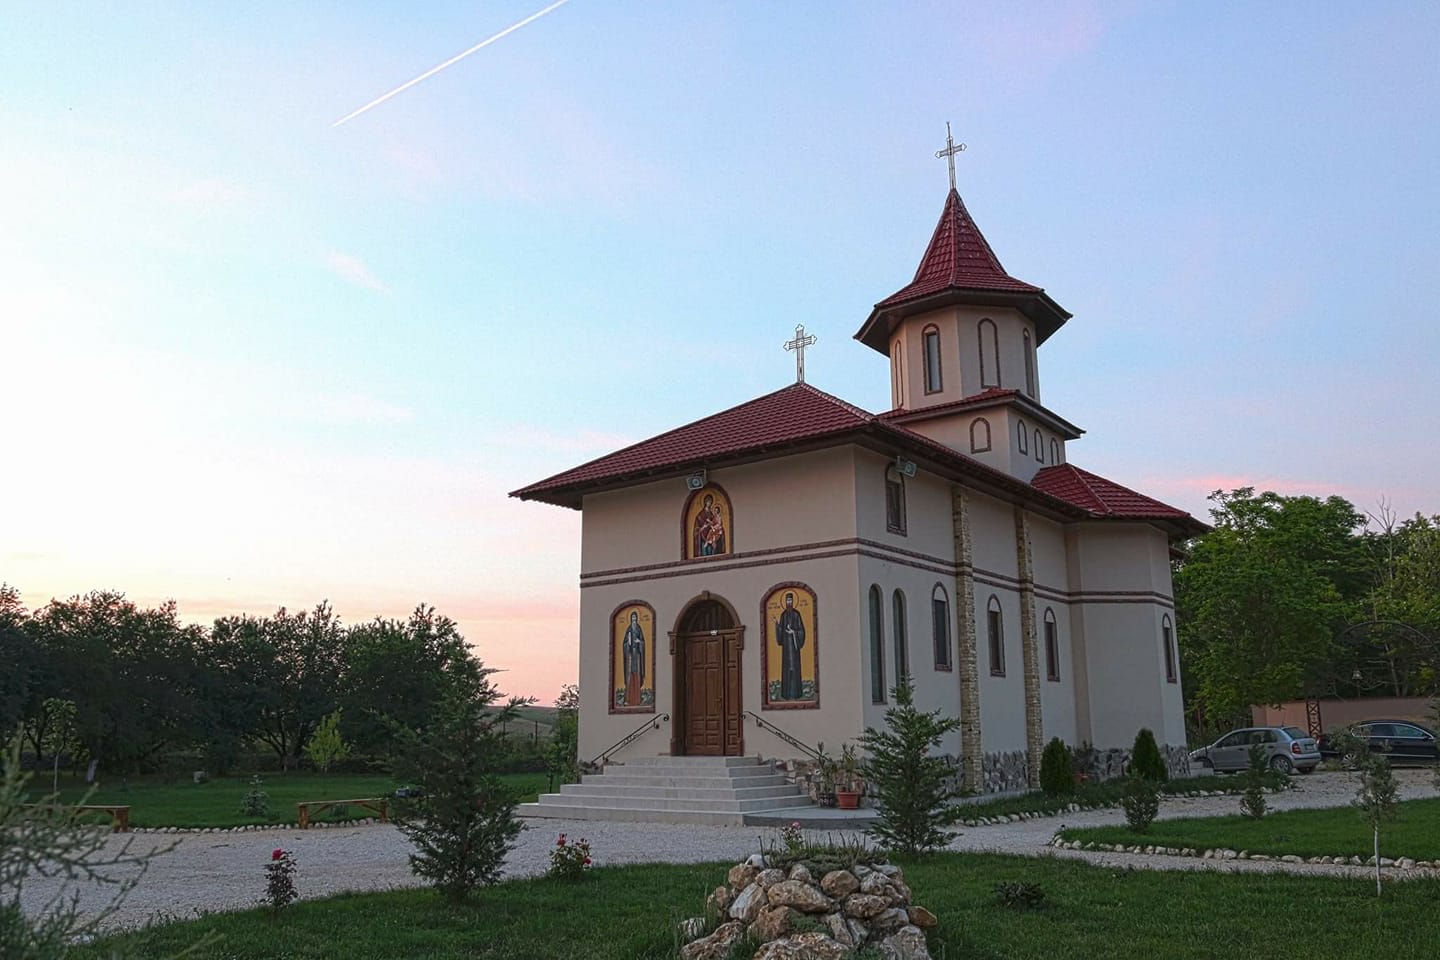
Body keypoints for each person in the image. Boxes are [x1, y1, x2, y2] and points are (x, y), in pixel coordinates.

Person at [774, 592, 806, 700]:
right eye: (787, 601)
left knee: (795, 668)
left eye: (790, 601)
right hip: (786, 649)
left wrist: (794, 632)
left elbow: (801, 630)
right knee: (787, 668)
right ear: (785, 602)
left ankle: (796, 694)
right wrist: (777, 625)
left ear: (793, 602)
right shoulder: (783, 615)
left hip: (794, 646)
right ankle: (786, 694)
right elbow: (781, 630)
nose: (789, 603)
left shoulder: (797, 614)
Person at [622, 611, 646, 705]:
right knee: (630, 676)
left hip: (638, 655)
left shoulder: (639, 628)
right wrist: (628, 644)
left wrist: (639, 641)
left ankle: (637, 700)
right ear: (630, 619)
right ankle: (628, 699)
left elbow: (643, 641)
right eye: (632, 618)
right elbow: (624, 643)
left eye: (635, 618)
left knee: (637, 675)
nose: (634, 620)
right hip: (630, 656)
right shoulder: (628, 629)